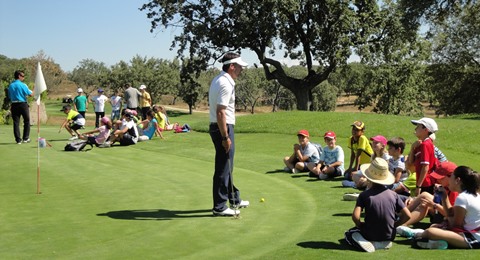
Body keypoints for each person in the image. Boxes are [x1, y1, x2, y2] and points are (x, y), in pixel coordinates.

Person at [208, 52, 249, 216]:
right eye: (239, 67)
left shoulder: (219, 79)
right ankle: (219, 206)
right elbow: (220, 112)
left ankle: (234, 199)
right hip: (222, 128)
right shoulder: (225, 83)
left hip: (219, 127)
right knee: (223, 167)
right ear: (232, 66)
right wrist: (225, 137)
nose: (241, 70)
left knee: (227, 165)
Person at [344, 157, 412, 253]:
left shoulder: (364, 195)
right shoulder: (393, 194)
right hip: (389, 235)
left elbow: (355, 217)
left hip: (370, 233)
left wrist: (360, 226)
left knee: (349, 233)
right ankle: (382, 243)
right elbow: (408, 215)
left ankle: (369, 242)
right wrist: (395, 225)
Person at [414, 166, 480, 249]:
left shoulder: (463, 198)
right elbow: (451, 213)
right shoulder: (473, 195)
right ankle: (435, 242)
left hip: (473, 238)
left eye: (451, 177)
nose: (449, 181)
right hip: (473, 235)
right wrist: (444, 195)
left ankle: (417, 235)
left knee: (430, 232)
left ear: (457, 180)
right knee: (434, 227)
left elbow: (456, 226)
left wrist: (444, 226)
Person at [396, 161, 459, 238]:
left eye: (441, 178)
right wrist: (414, 199)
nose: (438, 180)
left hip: (447, 220)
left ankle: (399, 222)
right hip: (440, 214)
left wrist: (434, 205)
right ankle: (399, 220)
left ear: (451, 177)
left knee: (425, 197)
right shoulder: (445, 187)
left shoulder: (455, 191)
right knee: (424, 200)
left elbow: (450, 215)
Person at [407, 117, 438, 196]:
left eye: (418, 126)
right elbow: (411, 162)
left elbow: (425, 167)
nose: (415, 128)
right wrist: (412, 148)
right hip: (422, 182)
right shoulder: (421, 144)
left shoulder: (425, 144)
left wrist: (418, 186)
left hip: (426, 183)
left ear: (426, 130)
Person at [8, 70, 33, 144]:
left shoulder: (11, 85)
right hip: (23, 104)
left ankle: (18, 140)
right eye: (22, 76)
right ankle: (25, 138)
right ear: (19, 76)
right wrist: (34, 90)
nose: (23, 78)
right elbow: (30, 94)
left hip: (14, 104)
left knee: (16, 122)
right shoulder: (23, 85)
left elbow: (10, 96)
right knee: (27, 121)